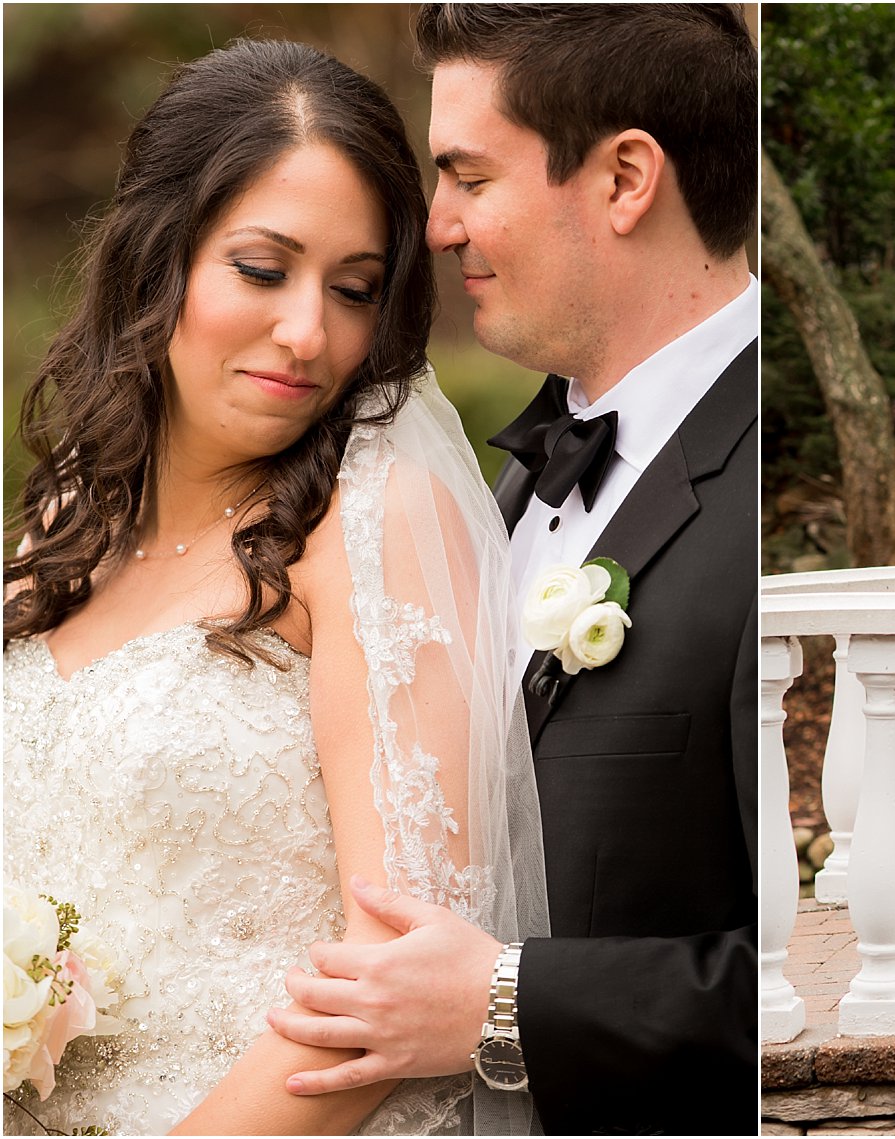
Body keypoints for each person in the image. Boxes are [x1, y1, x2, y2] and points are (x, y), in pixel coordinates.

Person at [2, 38, 546, 1135]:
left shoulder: (377, 521)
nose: (310, 335)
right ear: (159, 257)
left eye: (354, 290)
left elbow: (395, 969)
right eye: (262, 269)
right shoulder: (59, 526)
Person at [266, 6, 758, 1135]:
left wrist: (512, 1003)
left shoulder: (752, 500)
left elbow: (799, 968)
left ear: (626, 178)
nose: (433, 227)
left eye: (466, 176)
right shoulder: (498, 484)